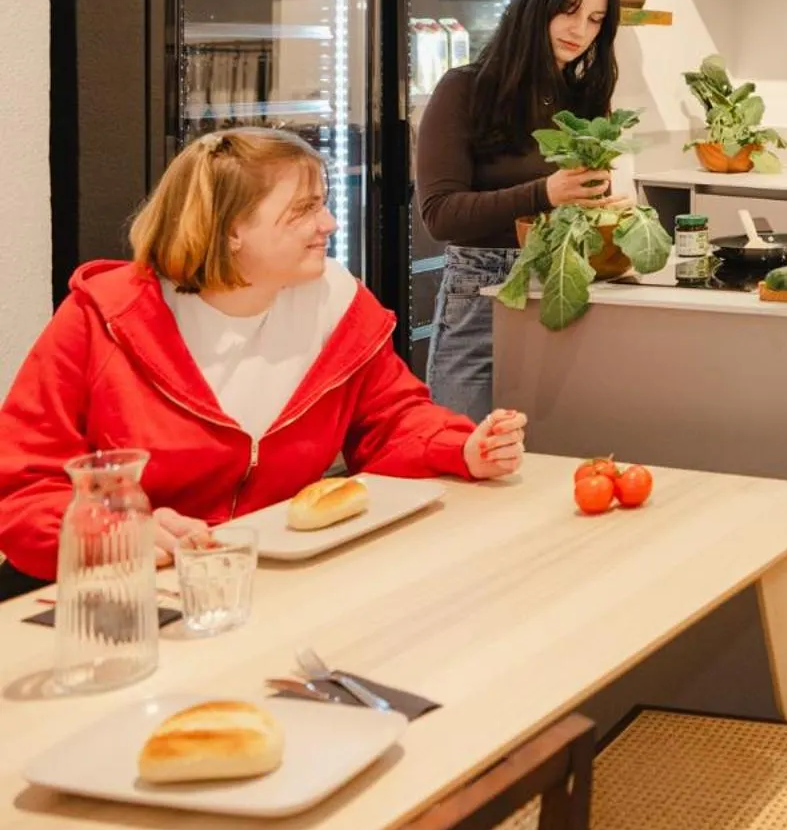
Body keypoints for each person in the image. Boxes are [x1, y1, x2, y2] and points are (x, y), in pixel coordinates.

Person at [0, 128, 525, 602]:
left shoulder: (337, 304)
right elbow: (23, 490)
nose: (330, 223)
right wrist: (112, 534)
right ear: (231, 230)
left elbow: (392, 419)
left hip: (270, 588)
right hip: (128, 599)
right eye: (303, 210)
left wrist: (463, 447)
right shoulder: (102, 319)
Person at [417, 0, 621, 417]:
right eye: (568, 11)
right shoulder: (464, 89)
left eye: (595, 20)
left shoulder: (586, 100)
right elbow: (440, 215)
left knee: (549, 466)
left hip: (564, 288)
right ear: (534, 5)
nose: (580, 31)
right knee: (462, 454)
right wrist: (544, 193)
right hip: (480, 296)